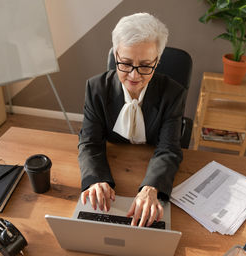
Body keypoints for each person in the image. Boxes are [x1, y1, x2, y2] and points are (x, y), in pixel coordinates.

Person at [78, 13, 185, 227]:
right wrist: (97, 179)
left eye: (145, 65)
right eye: (125, 64)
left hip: (147, 167)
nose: (134, 76)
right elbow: (90, 142)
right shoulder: (96, 88)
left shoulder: (173, 93)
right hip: (117, 166)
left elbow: (169, 149)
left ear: (158, 60)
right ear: (116, 54)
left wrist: (151, 187)